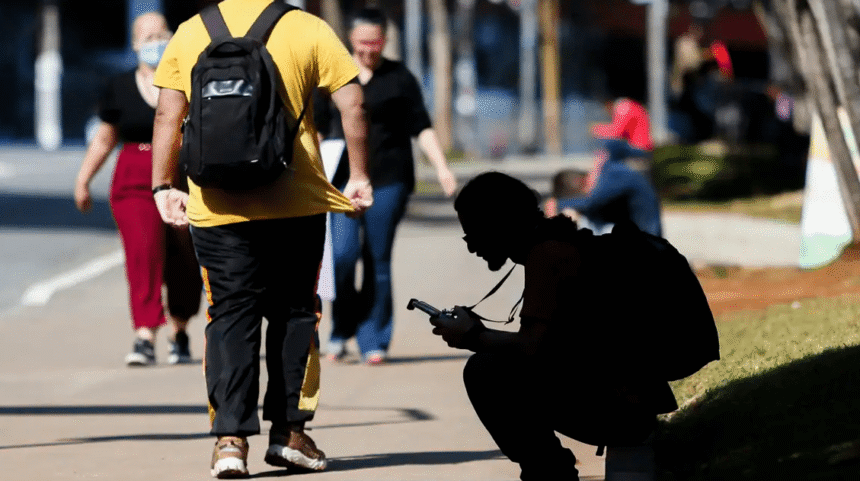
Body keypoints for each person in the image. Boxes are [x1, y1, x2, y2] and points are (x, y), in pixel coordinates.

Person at [150, 0, 373, 477]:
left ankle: (230, 441)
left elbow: (168, 113)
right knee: (296, 312)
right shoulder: (307, 28)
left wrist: (163, 185)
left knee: (229, 315)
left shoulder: (192, 32)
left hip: (215, 203)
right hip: (296, 200)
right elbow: (352, 102)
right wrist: (358, 174)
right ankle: (290, 433)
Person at [429, 172, 678, 481]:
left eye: (474, 234)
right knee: (493, 365)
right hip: (629, 402)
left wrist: (474, 336)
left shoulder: (547, 255)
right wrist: (479, 334)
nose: (471, 248)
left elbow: (533, 347)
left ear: (500, 224)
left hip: (622, 410)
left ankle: (548, 472)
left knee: (485, 372)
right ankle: (549, 469)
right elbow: (549, 345)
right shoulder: (556, 243)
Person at [321, 7, 457, 365]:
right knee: (342, 257)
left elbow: (421, 126)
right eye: (363, 42)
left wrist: (442, 167)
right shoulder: (335, 73)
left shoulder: (399, 79)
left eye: (376, 42)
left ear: (385, 40)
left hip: (388, 180)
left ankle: (374, 339)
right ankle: (340, 329)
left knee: (377, 259)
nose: (369, 49)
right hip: (341, 183)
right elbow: (317, 128)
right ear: (351, 39)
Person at [74, 12, 202, 367]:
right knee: (143, 251)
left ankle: (180, 328)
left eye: (161, 35)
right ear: (134, 45)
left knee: (185, 256)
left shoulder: (189, 81)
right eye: (147, 38)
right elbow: (104, 138)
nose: (154, 43)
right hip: (134, 176)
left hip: (182, 173)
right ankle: (145, 332)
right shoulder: (118, 86)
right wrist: (84, 179)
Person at [547, 165, 663, 237]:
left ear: (581, 182)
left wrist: (559, 205)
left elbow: (592, 202)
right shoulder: (609, 177)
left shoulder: (612, 176)